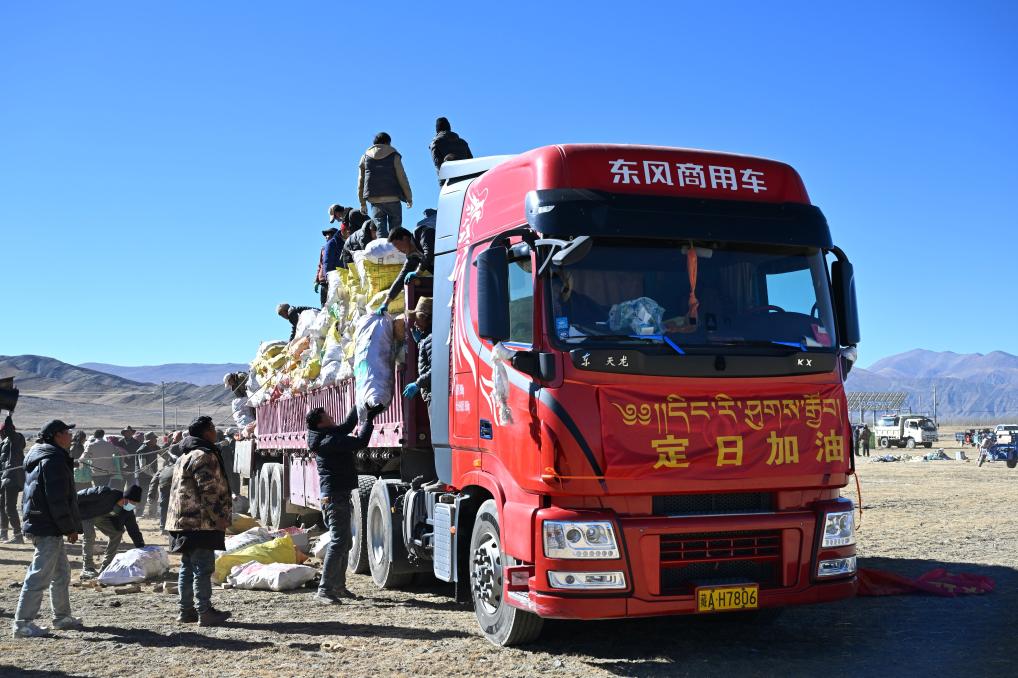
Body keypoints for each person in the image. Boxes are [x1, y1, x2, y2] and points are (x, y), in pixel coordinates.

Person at [13, 419, 83, 638]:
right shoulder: (52, 460)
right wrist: (69, 527)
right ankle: (23, 623)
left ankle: (62, 617)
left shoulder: (47, 456)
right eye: (66, 433)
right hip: (47, 526)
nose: (71, 436)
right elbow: (57, 499)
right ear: (55, 435)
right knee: (39, 575)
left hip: (44, 523)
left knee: (61, 573)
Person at [306, 405, 380, 604]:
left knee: (345, 543)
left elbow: (347, 425)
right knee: (339, 542)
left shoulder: (326, 434)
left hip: (337, 496)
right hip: (335, 498)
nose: (332, 416)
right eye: (328, 415)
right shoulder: (328, 441)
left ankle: (338, 587)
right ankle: (324, 590)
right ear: (321, 422)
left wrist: (360, 405)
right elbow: (360, 442)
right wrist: (368, 420)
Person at [166, 416, 233, 627]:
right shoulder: (204, 456)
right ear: (206, 433)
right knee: (202, 568)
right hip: (200, 522)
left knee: (187, 565)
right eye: (213, 429)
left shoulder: (183, 456)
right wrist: (219, 517)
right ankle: (205, 611)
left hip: (181, 521)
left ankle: (186, 611)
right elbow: (209, 491)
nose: (216, 433)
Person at [78, 484, 145, 578]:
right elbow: (81, 495)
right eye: (132, 502)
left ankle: (106, 567)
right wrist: (70, 507)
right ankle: (87, 568)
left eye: (135, 504)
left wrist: (141, 547)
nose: (133, 505)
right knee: (89, 536)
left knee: (117, 533)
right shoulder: (106, 493)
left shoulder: (127, 511)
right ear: (126, 498)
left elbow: (133, 529)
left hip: (103, 518)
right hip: (86, 514)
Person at [374, 219, 436, 315]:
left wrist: (418, 272)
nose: (398, 250)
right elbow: (400, 279)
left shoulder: (423, 232)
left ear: (405, 238)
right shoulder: (412, 256)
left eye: (396, 245)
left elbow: (429, 253)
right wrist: (385, 303)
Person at [357, 132, 412, 237]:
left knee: (380, 231)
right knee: (396, 232)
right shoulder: (394, 156)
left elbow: (361, 181)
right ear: (388, 143)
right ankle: (395, 251)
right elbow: (402, 178)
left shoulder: (365, 157)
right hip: (393, 198)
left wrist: (362, 203)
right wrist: (409, 197)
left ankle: (383, 252)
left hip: (374, 199)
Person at [401, 297, 433, 407]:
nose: (415, 323)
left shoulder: (431, 338)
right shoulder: (427, 338)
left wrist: (417, 384)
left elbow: (435, 369)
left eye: (417, 319)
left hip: (433, 395)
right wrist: (420, 341)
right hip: (431, 395)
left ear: (426, 318)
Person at [1, 415, 26, 543]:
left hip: (12, 479)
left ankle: (18, 536)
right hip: (5, 479)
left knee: (10, 507)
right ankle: (3, 533)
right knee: (3, 506)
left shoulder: (15, 440)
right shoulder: (5, 444)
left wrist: (8, 416)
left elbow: (10, 430)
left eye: (1, 433)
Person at [316, 225, 344, 306]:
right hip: (323, 280)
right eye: (326, 235)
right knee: (324, 303)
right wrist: (316, 280)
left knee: (335, 301)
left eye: (328, 234)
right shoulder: (323, 249)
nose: (326, 237)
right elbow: (320, 264)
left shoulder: (339, 246)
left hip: (334, 278)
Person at [133, 432, 160, 514]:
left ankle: (153, 512)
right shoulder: (142, 450)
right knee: (142, 495)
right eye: (154, 438)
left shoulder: (155, 447)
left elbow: (164, 454)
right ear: (149, 440)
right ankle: (138, 513)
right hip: (142, 477)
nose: (156, 440)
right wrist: (154, 475)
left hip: (152, 475)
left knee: (154, 493)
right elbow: (143, 467)